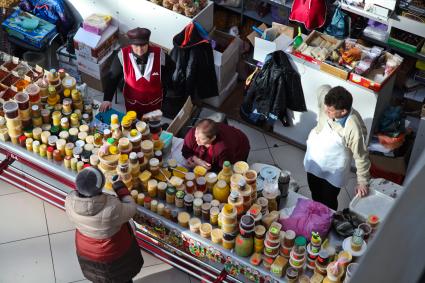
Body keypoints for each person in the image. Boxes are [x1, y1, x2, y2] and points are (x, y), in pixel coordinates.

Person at [65, 167, 143, 283]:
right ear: (101, 185)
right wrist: (119, 187)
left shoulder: (69, 200)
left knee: (99, 278)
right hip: (114, 252)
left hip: (87, 250)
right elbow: (131, 209)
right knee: (122, 278)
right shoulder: (111, 208)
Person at [304, 85, 371, 210]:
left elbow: (361, 156)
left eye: (330, 111)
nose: (325, 112)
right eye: (326, 108)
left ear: (343, 111)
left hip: (333, 169)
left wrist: (362, 182)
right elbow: (323, 89)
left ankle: (326, 223)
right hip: (314, 161)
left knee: (328, 202)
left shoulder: (354, 127)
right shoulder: (328, 101)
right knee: (315, 193)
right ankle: (316, 216)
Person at [99, 27, 166, 116]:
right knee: (132, 125)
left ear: (148, 43)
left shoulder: (159, 54)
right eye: (136, 45)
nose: (140, 49)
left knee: (153, 125)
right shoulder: (122, 56)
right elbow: (112, 78)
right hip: (133, 104)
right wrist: (107, 99)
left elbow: (167, 75)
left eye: (143, 45)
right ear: (131, 44)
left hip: (154, 104)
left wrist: (164, 95)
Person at [182, 119, 250, 172]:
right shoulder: (193, 133)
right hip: (226, 136)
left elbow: (221, 168)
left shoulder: (222, 148)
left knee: (239, 167)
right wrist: (195, 158)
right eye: (196, 135)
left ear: (213, 138)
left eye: (201, 139)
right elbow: (185, 151)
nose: (196, 140)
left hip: (240, 145)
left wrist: (201, 167)